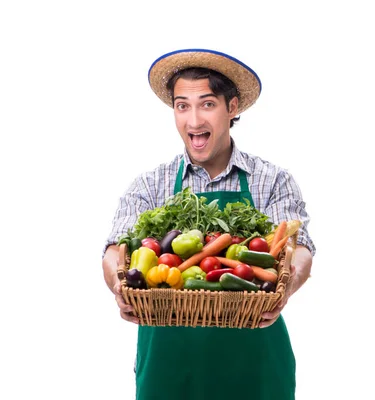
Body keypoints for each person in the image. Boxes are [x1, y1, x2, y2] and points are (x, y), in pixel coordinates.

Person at [102, 48, 316, 400]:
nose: (194, 120)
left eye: (207, 104)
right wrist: (118, 286)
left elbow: (301, 249)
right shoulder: (150, 185)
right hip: (168, 372)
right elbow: (114, 249)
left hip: (256, 369)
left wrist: (286, 286)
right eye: (182, 106)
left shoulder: (272, 180)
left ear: (232, 108)